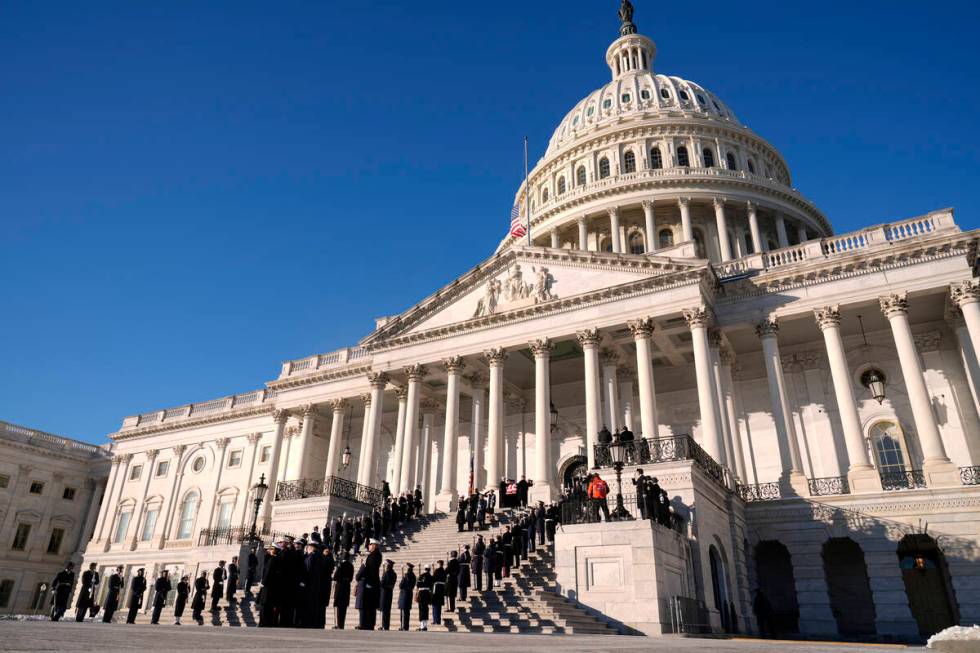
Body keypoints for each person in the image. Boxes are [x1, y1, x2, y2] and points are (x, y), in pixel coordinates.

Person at [356, 539, 382, 630]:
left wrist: (368, 581)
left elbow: (371, 571)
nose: (369, 546)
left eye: (370, 544)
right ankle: (369, 624)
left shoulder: (373, 556)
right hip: (373, 583)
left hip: (370, 582)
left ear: (374, 545)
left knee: (367, 605)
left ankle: (365, 624)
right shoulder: (376, 555)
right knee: (371, 605)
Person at [258, 545, 282, 627]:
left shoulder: (272, 559)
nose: (269, 550)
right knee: (270, 605)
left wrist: (263, 583)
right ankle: (268, 622)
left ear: (274, 550)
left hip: (268, 586)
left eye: (271, 549)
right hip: (274, 586)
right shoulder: (278, 559)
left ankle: (263, 622)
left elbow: (267, 572)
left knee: (264, 604)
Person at [332, 551, 354, 629]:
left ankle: (338, 624)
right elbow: (351, 578)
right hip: (346, 587)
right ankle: (342, 624)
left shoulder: (340, 565)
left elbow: (335, 577)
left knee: (338, 607)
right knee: (343, 608)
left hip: (340, 587)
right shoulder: (351, 566)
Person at [317, 545, 335, 628]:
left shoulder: (329, 559)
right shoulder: (321, 558)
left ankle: (321, 623)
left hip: (324, 584)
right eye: (325, 551)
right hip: (320, 584)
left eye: (328, 551)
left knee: (322, 605)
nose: (326, 553)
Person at [397, 562, 416, 631]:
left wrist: (403, 579)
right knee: (407, 612)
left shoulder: (406, 575)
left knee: (403, 612)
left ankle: (403, 626)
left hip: (404, 594)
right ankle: (406, 626)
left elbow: (400, 585)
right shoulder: (414, 576)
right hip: (409, 594)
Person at [379, 559, 397, 631]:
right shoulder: (394, 574)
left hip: (384, 593)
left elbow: (382, 583)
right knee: (388, 610)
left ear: (388, 566)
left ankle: (383, 625)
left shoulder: (386, 573)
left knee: (383, 609)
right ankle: (387, 625)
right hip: (390, 593)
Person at [415, 565, 432, 631]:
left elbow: (418, 585)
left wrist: (418, 580)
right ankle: (425, 625)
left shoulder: (421, 575)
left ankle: (422, 626)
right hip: (427, 593)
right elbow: (431, 586)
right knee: (426, 609)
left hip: (422, 593)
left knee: (421, 609)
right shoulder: (430, 576)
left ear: (425, 569)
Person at [431, 560, 446, 625]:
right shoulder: (444, 571)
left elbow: (433, 579)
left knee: (435, 605)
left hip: (436, 589)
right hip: (442, 589)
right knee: (439, 606)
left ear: (439, 564)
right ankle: (438, 620)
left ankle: (435, 620)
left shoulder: (437, 571)